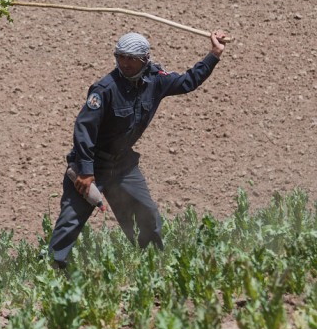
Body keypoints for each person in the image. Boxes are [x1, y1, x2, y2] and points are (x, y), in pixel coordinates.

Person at [48, 30, 227, 268]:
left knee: (147, 215)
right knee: (70, 221)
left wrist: (213, 54)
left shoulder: (157, 80)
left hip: (123, 166)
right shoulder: (104, 89)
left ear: (145, 58)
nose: (125, 63)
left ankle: (153, 266)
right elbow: (84, 130)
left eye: (131, 58)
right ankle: (53, 272)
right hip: (91, 166)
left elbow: (187, 82)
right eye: (120, 57)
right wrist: (85, 171)